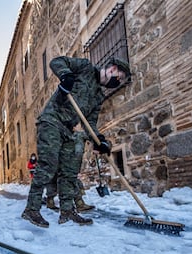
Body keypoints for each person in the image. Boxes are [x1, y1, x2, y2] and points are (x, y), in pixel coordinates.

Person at [21, 56, 131, 228]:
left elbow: (90, 123)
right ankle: (31, 209)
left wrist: (99, 140)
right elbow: (57, 62)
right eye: (121, 78)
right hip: (51, 119)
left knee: (69, 171)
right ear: (113, 70)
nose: (119, 82)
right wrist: (66, 76)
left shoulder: (97, 96)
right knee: (48, 165)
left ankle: (67, 211)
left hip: (68, 129)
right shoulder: (85, 68)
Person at [44, 130, 96, 213]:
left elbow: (92, 136)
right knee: (61, 181)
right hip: (59, 163)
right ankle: (77, 204)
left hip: (70, 163)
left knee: (68, 181)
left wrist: (99, 144)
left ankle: (76, 204)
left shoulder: (79, 134)